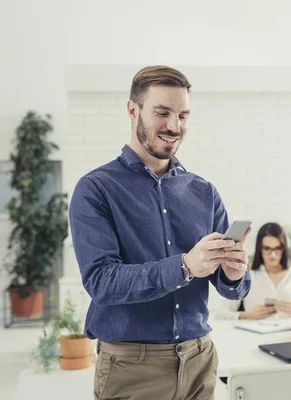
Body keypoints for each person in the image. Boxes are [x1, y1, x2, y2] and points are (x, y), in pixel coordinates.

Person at [69, 65, 251, 400]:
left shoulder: (204, 191)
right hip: (131, 368)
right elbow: (101, 281)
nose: (174, 126)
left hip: (199, 359)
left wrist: (233, 272)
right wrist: (184, 267)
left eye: (183, 115)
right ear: (132, 110)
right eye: (162, 113)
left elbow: (231, 289)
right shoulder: (95, 189)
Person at [217, 222, 291, 320]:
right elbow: (221, 313)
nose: (273, 254)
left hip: (289, 334)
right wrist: (248, 315)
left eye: (277, 248)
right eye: (267, 249)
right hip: (253, 334)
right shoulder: (246, 275)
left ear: (284, 248)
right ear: (260, 249)